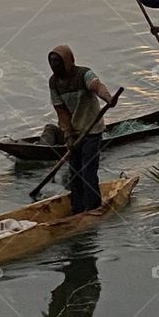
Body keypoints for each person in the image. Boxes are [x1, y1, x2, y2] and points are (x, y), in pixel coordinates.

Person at [47, 45, 116, 213]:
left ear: (68, 61)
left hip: (92, 130)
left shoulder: (83, 74)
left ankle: (93, 207)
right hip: (75, 131)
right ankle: (77, 208)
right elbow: (61, 111)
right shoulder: (54, 82)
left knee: (88, 172)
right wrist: (68, 135)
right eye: (52, 62)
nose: (54, 65)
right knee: (74, 173)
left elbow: (96, 85)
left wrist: (107, 97)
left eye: (58, 61)